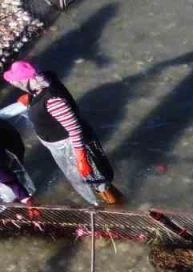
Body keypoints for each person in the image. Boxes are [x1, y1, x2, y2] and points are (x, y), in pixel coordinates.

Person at [2, 60, 122, 206]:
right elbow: (40, 93)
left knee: (98, 180)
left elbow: (75, 130)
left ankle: (117, 205)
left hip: (72, 145)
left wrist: (82, 159)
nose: (15, 84)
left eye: (17, 81)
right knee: (87, 178)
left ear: (27, 81)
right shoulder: (44, 81)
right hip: (59, 144)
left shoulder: (53, 101)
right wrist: (30, 99)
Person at [0, 118, 33, 206]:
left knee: (16, 166)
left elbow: (10, 181)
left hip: (9, 136)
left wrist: (25, 199)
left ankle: (19, 195)